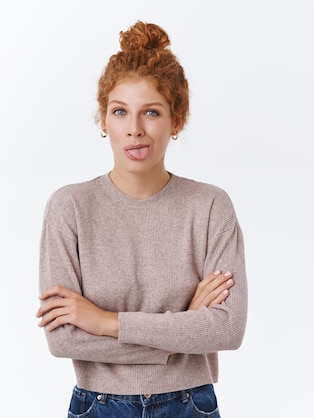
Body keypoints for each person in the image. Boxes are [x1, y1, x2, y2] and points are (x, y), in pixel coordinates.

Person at [35, 21, 247, 418]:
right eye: (120, 112)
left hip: (190, 405)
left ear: (176, 120)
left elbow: (226, 330)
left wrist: (104, 321)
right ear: (104, 121)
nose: (134, 130)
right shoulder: (70, 207)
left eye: (151, 112)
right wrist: (184, 327)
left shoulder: (210, 206)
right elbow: (63, 339)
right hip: (97, 405)